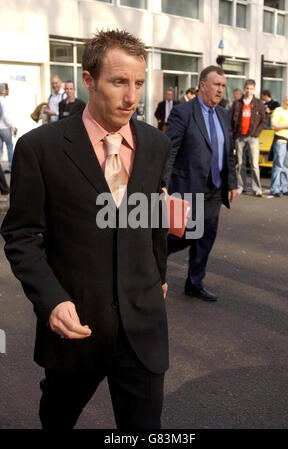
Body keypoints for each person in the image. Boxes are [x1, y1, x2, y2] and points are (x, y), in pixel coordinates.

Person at [1, 29, 171, 429]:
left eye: (139, 84)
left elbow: (152, 220)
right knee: (57, 420)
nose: (133, 97)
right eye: (119, 82)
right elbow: (22, 236)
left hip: (143, 328)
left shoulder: (155, 144)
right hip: (75, 329)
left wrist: (158, 273)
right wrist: (51, 300)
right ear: (88, 79)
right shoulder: (39, 149)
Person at [164, 66, 238, 302]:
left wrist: (232, 183)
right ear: (203, 85)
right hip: (188, 188)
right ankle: (152, 259)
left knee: (206, 237)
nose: (220, 90)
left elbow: (229, 152)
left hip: (215, 189)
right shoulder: (183, 112)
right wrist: (163, 184)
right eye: (216, 85)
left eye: (223, 86)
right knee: (181, 235)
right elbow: (170, 150)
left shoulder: (224, 114)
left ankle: (195, 284)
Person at [231, 79, 266, 196]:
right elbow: (231, 120)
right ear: (244, 88)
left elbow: (263, 120)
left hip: (253, 137)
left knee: (255, 165)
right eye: (247, 88)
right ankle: (241, 186)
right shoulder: (237, 103)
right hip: (239, 137)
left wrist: (256, 133)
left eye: (251, 89)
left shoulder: (259, 103)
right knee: (240, 164)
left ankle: (257, 189)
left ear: (254, 90)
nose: (248, 91)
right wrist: (234, 135)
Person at [270, 95, 288, 197]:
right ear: (283, 101)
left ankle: (284, 187)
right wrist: (287, 125)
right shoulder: (278, 110)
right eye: (286, 100)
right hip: (280, 141)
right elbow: (273, 126)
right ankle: (275, 189)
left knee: (286, 167)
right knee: (278, 165)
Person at [0, 83, 17, 172]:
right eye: (7, 89)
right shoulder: (4, 101)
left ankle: (1, 169)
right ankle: (11, 167)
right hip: (5, 128)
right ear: (4, 90)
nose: (8, 91)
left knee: (0, 149)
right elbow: (6, 116)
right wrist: (13, 126)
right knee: (9, 147)